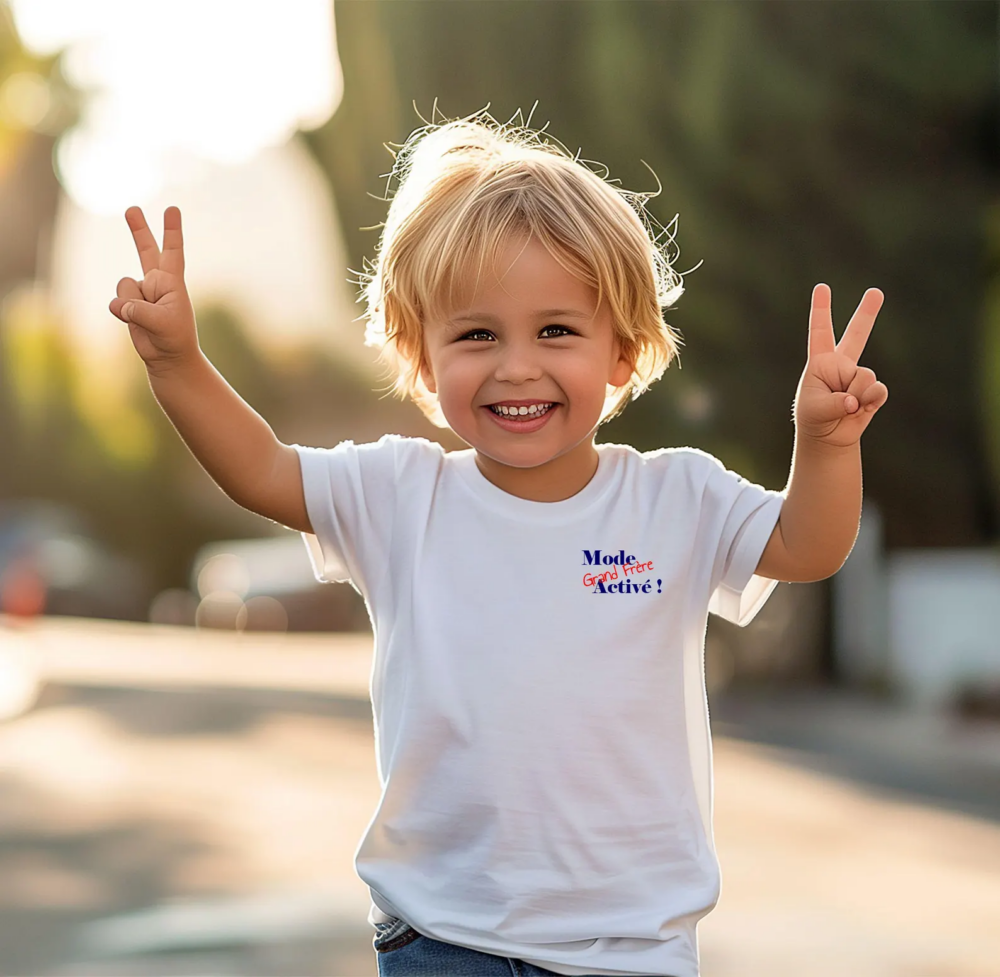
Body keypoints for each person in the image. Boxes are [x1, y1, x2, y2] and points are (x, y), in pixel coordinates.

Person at [111, 108, 888, 977]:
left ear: (623, 350)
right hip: (446, 939)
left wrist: (825, 444)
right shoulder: (401, 495)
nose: (516, 365)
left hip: (636, 950)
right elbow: (261, 468)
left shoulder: (677, 495)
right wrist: (178, 364)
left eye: (557, 330)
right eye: (477, 334)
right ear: (420, 355)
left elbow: (808, 544)